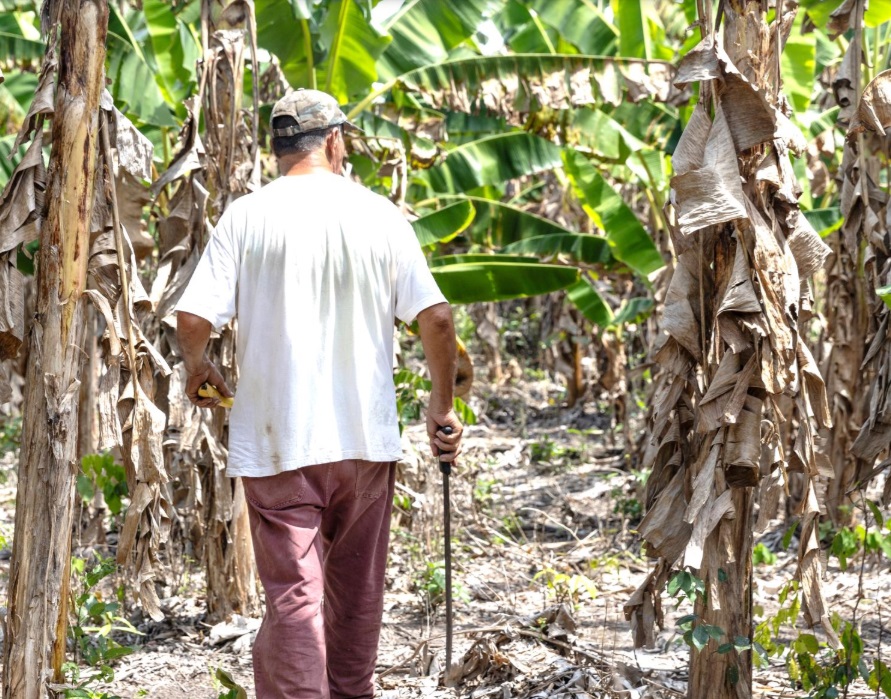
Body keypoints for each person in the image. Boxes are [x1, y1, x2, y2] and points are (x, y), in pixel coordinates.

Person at [175, 88, 463, 699]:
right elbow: (435, 318)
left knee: (295, 599)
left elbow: (193, 318)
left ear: (276, 149)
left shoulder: (247, 216)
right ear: (335, 141)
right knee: (356, 592)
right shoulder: (379, 215)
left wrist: (199, 366)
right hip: (364, 444)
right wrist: (442, 405)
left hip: (280, 445)